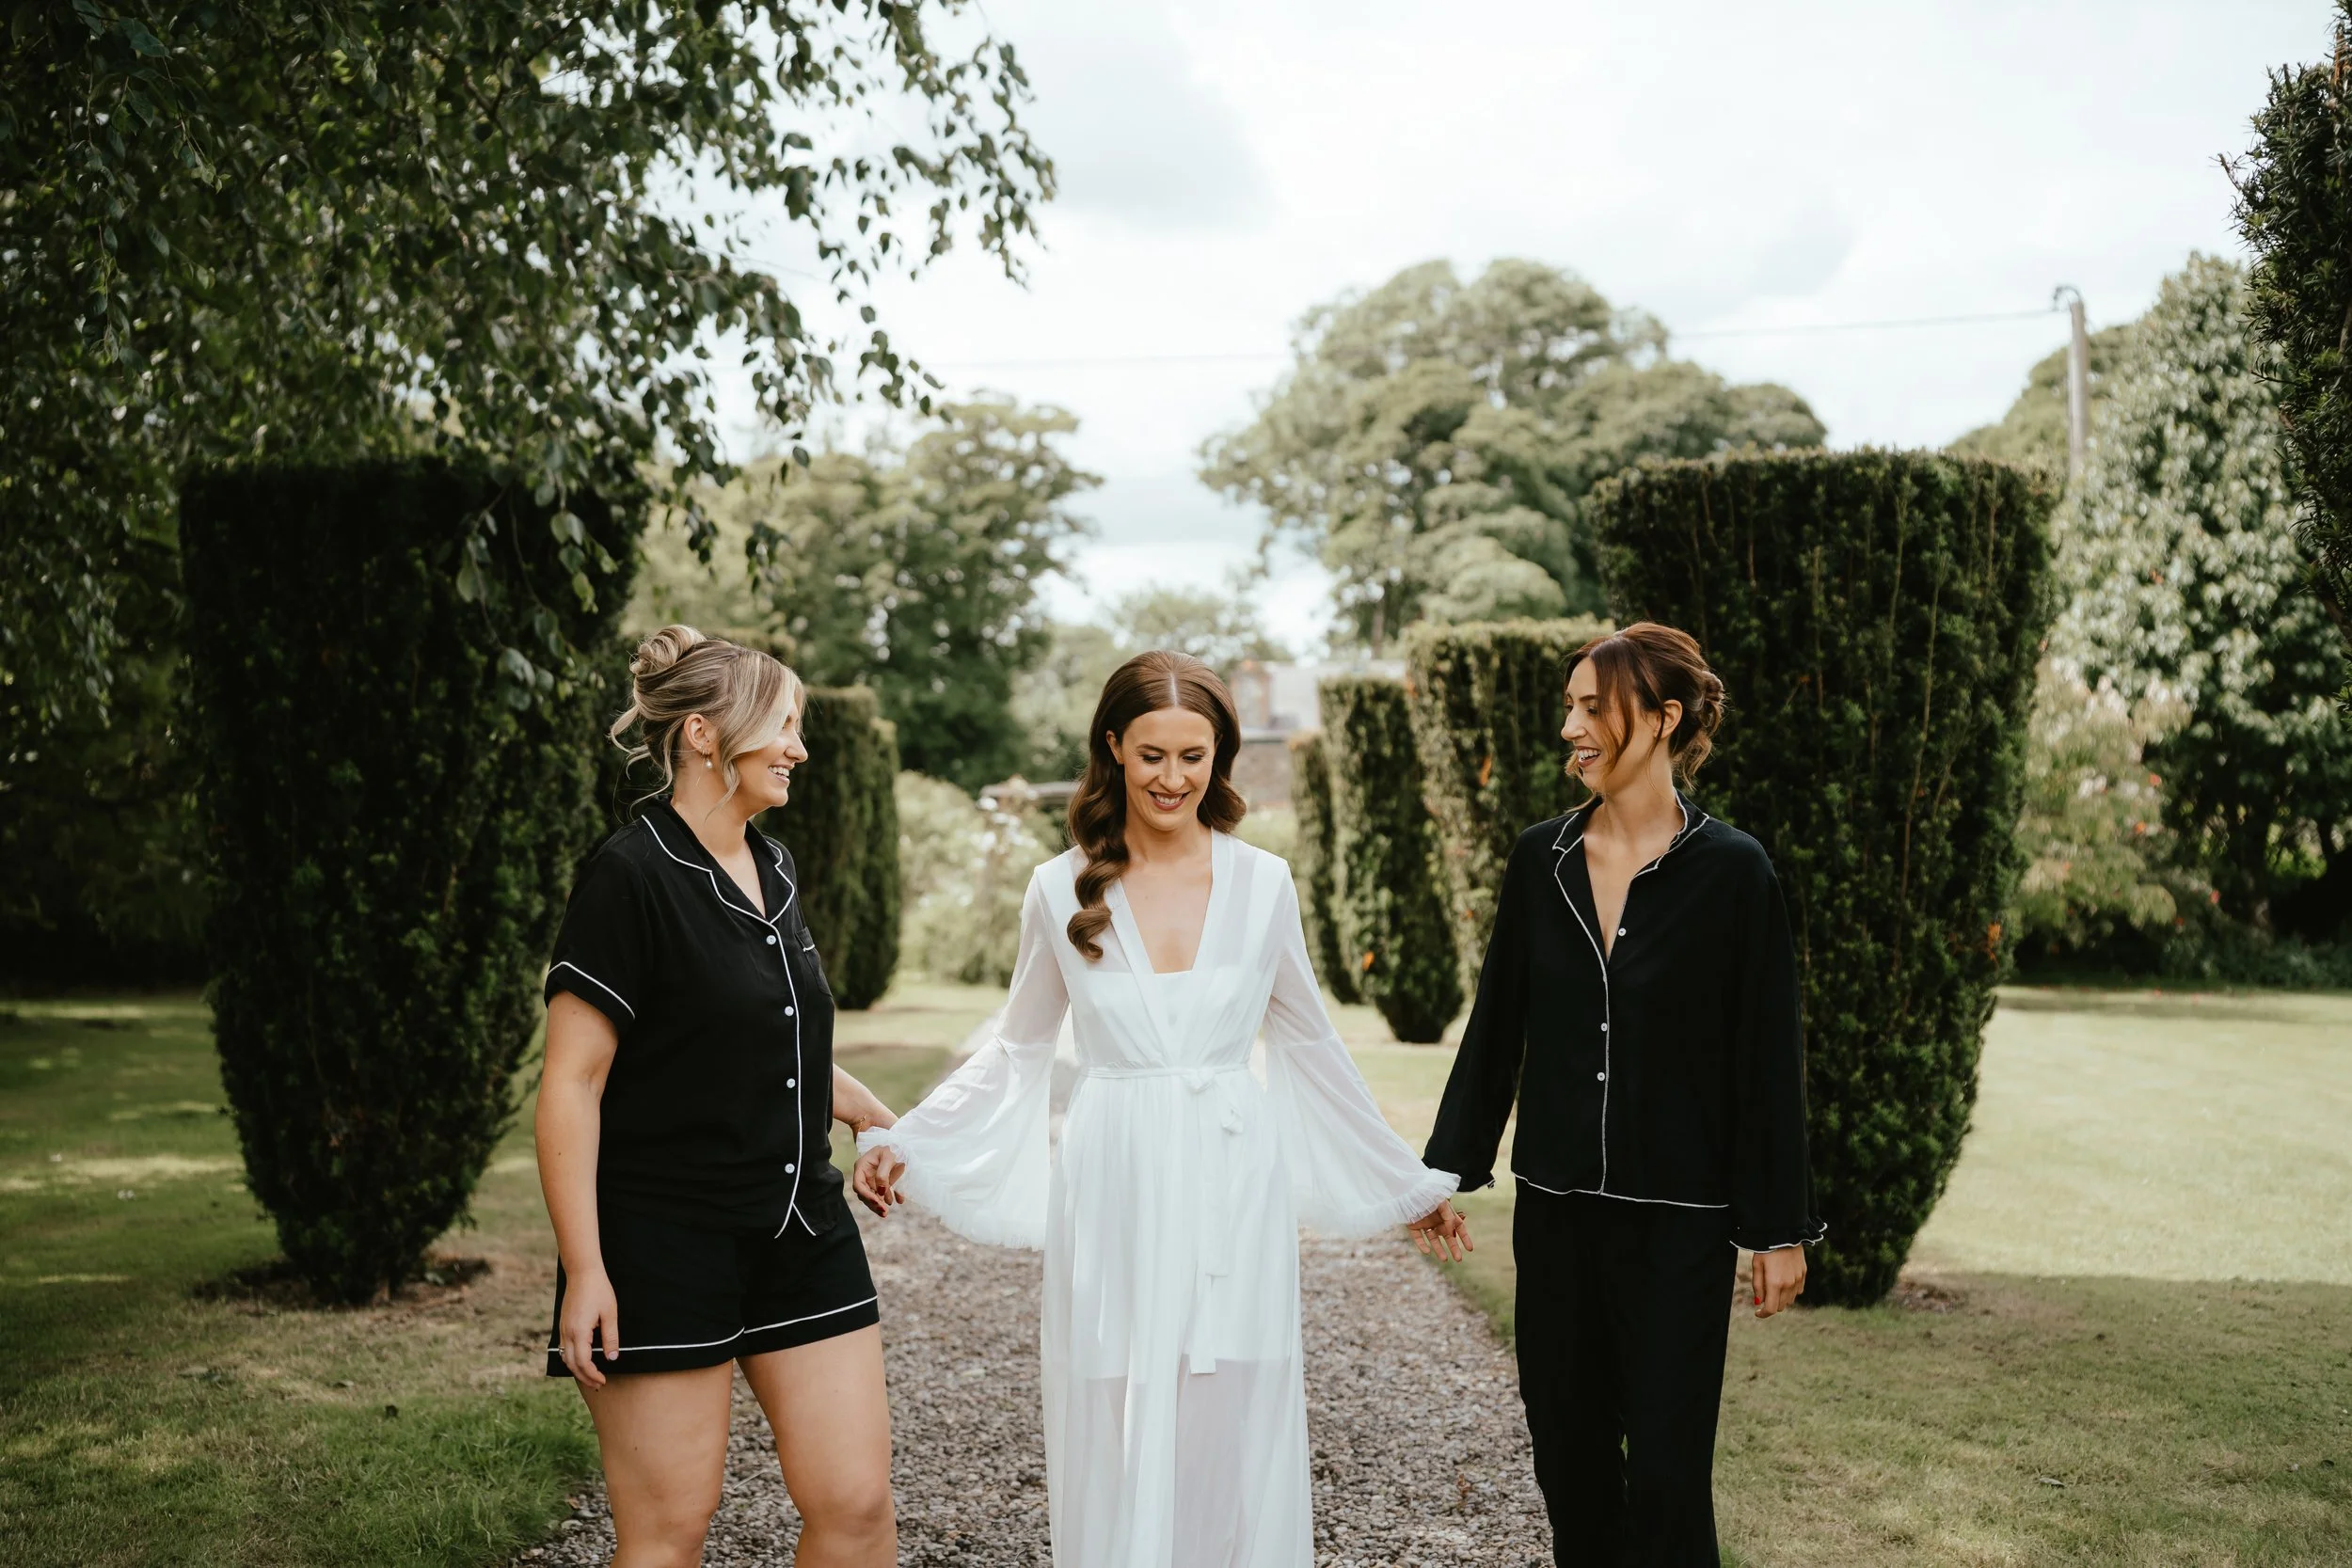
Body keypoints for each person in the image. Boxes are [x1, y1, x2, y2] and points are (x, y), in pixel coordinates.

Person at [851, 650, 1467, 1568]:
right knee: (1114, 1401)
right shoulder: (1058, 887)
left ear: (1220, 757)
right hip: (1115, 1174)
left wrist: (1403, 1181)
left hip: (1231, 1174)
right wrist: (911, 1136)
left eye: (1193, 754)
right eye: (1150, 755)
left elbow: (1309, 1043)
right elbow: (1017, 1046)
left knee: (1233, 1400)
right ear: (1111, 749)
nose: (1172, 777)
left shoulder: (1263, 883)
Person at [1422, 621, 1821, 1568]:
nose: (1570, 727)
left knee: (1669, 1476)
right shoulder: (1540, 860)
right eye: (1570, 707)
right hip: (1556, 1212)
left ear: (1662, 717)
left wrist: (1777, 1226)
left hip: (1679, 1223)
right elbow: (1497, 1025)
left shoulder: (1733, 871)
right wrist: (1441, 1164)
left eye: (1590, 707)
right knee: (1570, 1463)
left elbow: (1766, 1058)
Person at [535, 626, 902, 1568]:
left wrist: (861, 1106)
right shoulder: (629, 874)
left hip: (800, 1225)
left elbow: (765, 1028)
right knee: (667, 1533)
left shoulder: (771, 864)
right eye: (781, 725)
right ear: (704, 734)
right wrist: (586, 1268)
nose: (798, 747)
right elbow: (572, 1083)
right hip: (662, 1238)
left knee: (856, 1506)